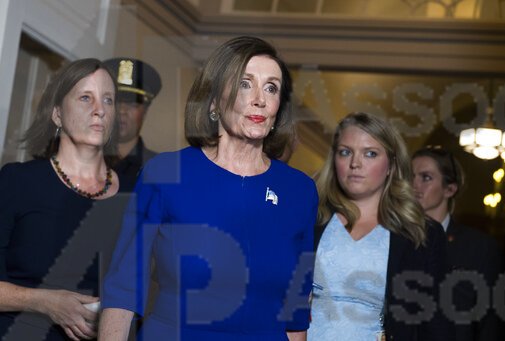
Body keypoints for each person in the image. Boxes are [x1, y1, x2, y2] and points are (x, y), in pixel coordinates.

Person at [99, 36, 318, 340]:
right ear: (214, 101)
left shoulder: (300, 191)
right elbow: (123, 288)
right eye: (245, 83)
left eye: (271, 87)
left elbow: (296, 308)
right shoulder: (165, 173)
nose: (260, 98)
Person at [0, 58, 120, 340]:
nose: (99, 110)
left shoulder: (135, 193)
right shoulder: (18, 181)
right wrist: (43, 302)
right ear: (57, 113)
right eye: (85, 98)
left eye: (108, 100)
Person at [309, 112, 453, 340]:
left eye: (370, 154)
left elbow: (436, 324)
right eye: (345, 152)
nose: (355, 164)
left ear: (390, 166)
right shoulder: (311, 218)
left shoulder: (422, 233)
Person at [412, 146, 503, 341]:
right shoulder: (392, 239)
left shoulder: (479, 247)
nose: (414, 185)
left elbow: (489, 321)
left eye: (425, 177)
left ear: (449, 189)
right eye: (409, 177)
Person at [103, 57, 162, 192]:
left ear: (145, 112)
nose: (122, 111)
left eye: (132, 104)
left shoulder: (159, 170)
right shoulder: (82, 160)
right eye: (115, 103)